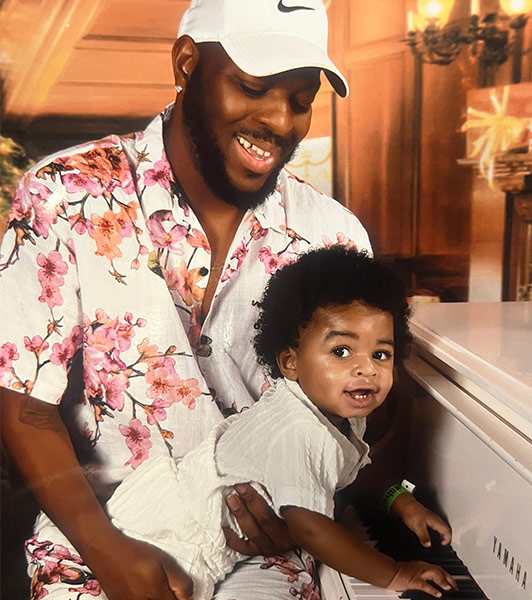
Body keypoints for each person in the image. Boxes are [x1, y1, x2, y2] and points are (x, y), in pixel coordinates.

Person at [0, 1, 451, 598]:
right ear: (187, 62)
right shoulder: (64, 194)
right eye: (255, 87)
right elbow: (23, 399)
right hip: (95, 537)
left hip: (272, 554)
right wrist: (108, 551)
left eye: (301, 99)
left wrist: (346, 501)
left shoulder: (335, 236)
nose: (281, 121)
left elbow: (358, 422)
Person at [105, 247, 458, 600]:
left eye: (381, 354)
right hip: (178, 534)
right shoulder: (301, 429)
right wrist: (394, 572)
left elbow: (350, 470)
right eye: (341, 351)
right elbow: (311, 530)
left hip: (178, 510)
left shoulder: (335, 410)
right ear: (290, 362)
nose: (367, 368)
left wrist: (401, 501)